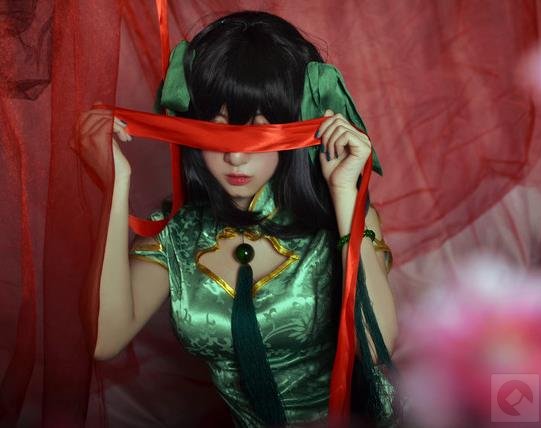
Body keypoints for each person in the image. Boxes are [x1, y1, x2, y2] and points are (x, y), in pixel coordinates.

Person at [93, 10, 398, 427]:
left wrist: (346, 194)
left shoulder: (340, 218)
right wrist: (115, 184)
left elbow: (377, 349)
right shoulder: (174, 232)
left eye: (257, 133)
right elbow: (105, 339)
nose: (236, 157)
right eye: (218, 132)